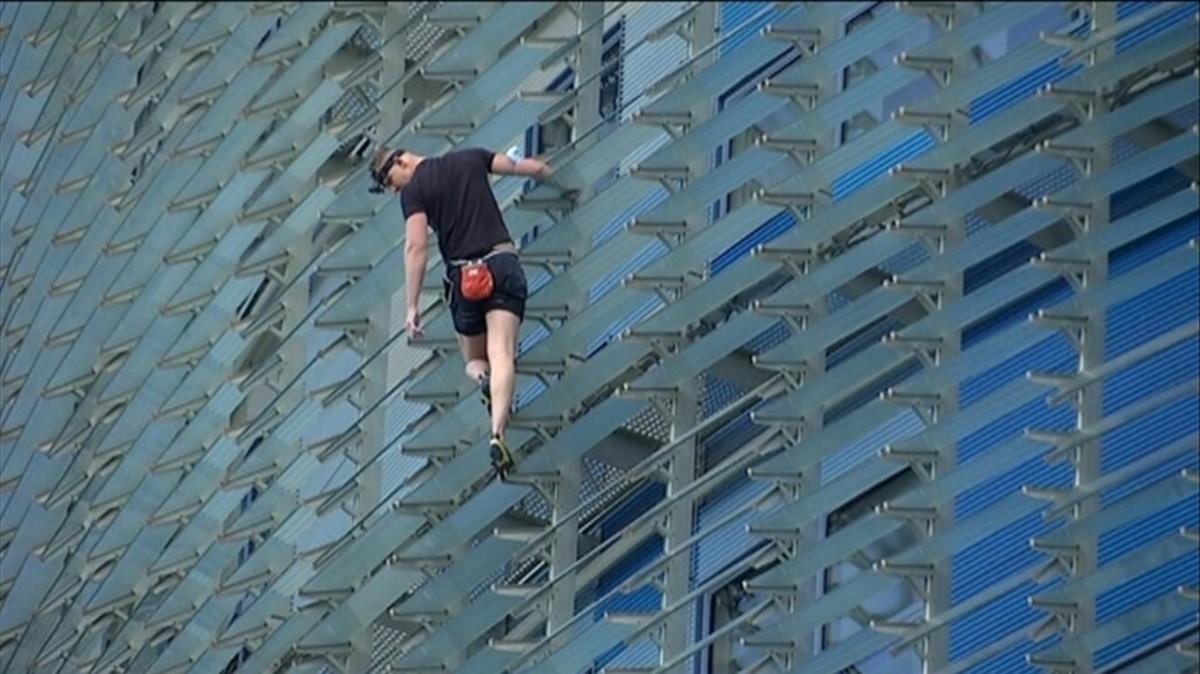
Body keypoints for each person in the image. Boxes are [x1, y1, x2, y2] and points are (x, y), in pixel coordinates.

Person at [370, 146, 556, 481]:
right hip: (501, 264)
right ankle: (498, 433)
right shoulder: (470, 157)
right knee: (503, 354)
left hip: (465, 280)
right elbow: (516, 167)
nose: (394, 189)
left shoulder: (414, 192)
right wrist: (546, 172)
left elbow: (416, 248)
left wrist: (411, 307)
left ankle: (485, 381)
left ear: (401, 161)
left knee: (473, 361)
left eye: (390, 182)